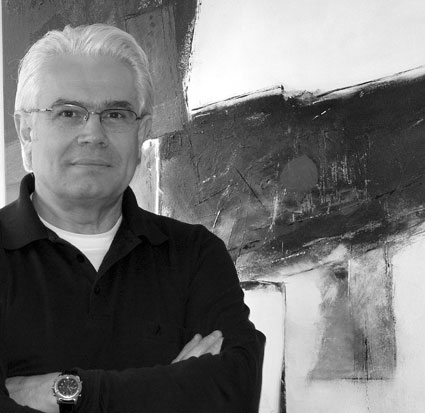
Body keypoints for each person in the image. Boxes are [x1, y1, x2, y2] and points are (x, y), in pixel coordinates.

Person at [0, 23, 265, 413]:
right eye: (68, 112)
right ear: (26, 131)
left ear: (141, 133)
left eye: (116, 114)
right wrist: (174, 387)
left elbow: (232, 393)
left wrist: (69, 392)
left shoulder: (196, 255)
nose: (93, 134)